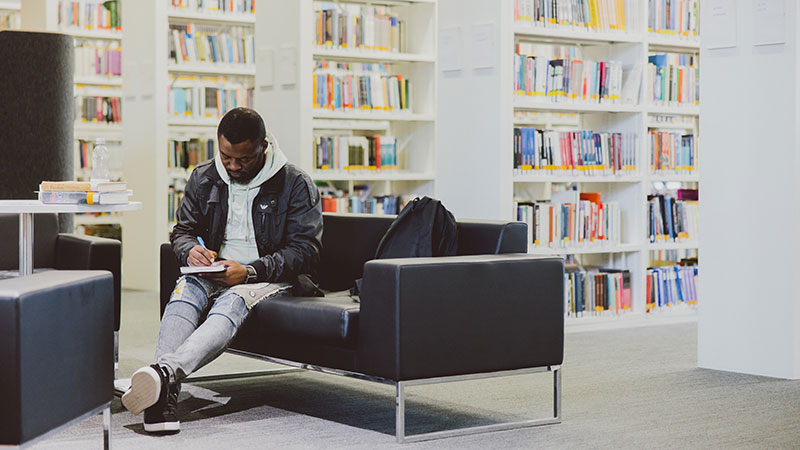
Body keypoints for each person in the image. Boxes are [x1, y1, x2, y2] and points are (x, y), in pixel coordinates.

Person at [121, 107, 323, 433]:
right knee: (185, 291)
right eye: (226, 156)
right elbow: (182, 231)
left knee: (233, 300)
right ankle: (164, 388)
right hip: (214, 271)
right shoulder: (204, 177)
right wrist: (192, 252)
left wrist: (250, 271)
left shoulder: (295, 183)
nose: (232, 166)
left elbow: (306, 252)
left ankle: (162, 377)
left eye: (243, 159)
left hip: (267, 277)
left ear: (263, 146)